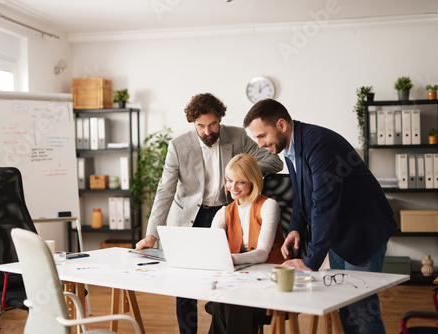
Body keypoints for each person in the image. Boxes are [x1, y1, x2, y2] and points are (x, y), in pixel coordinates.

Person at [243, 99, 396, 334]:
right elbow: (303, 196)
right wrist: (295, 227)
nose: (261, 144)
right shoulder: (290, 148)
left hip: (363, 230)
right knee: (344, 305)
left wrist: (310, 261)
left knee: (361, 309)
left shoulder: (318, 144)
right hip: (339, 233)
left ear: (281, 124)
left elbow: (324, 203)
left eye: (262, 136)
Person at [135, 93, 283, 334]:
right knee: (185, 284)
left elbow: (275, 161)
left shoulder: (236, 136)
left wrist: (244, 174)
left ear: (220, 119)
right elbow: (165, 191)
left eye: (212, 124)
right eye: (201, 126)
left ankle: (224, 327)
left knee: (227, 275)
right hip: (188, 218)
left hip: (225, 214)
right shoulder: (178, 145)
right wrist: (152, 234)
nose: (207, 131)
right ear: (193, 123)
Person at [209, 153, 284, 334]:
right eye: (229, 180)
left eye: (240, 182)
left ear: (252, 181)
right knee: (219, 300)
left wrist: (231, 259)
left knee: (236, 300)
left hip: (269, 274)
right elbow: (211, 247)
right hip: (240, 275)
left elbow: (262, 253)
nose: (233, 187)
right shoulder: (224, 212)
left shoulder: (268, 205)